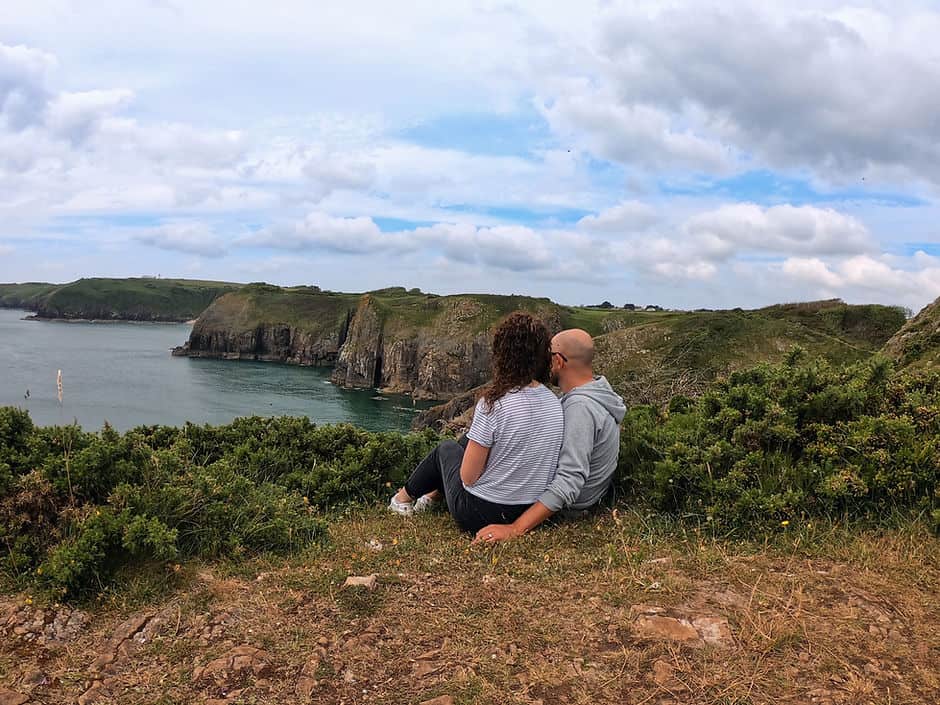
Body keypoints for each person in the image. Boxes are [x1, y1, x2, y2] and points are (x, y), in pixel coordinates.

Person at [389, 312, 564, 534]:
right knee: (468, 438)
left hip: (479, 513)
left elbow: (468, 478)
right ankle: (429, 499)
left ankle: (401, 498)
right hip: (530, 509)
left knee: (447, 448)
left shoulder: (494, 403)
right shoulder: (553, 401)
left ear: (502, 354)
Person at [473, 328, 625, 543]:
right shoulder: (595, 394)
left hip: (567, 507)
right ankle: (437, 491)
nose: (542, 363)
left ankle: (432, 492)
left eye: (547, 355)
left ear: (559, 361)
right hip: (578, 499)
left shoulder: (580, 409)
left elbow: (570, 479)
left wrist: (516, 528)